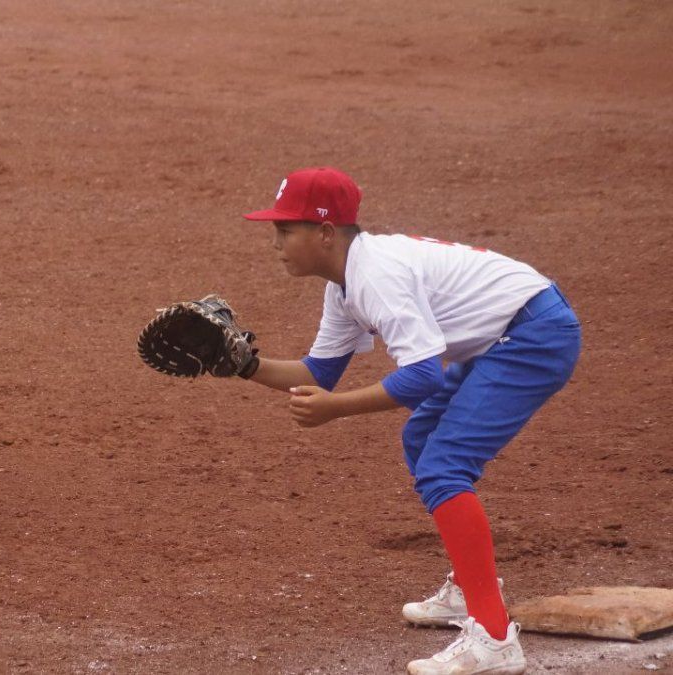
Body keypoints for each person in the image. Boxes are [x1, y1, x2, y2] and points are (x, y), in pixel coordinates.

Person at [240, 167, 580, 674]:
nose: (276, 243)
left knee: (444, 466)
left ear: (326, 232)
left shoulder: (376, 275)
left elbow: (422, 377)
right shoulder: (344, 284)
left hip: (535, 334)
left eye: (286, 230)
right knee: (423, 437)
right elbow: (317, 373)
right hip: (505, 332)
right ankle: (469, 591)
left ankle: (494, 640)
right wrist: (242, 366)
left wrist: (335, 409)